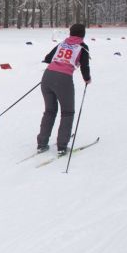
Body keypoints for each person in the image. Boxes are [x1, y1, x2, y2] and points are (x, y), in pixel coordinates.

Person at [37, 23, 91, 156]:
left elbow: (48, 58)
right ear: (83, 34)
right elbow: (85, 66)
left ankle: (41, 144)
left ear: (70, 33)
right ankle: (62, 146)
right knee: (67, 112)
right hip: (63, 79)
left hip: (47, 77)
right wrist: (87, 79)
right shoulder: (82, 47)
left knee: (49, 111)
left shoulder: (62, 43)